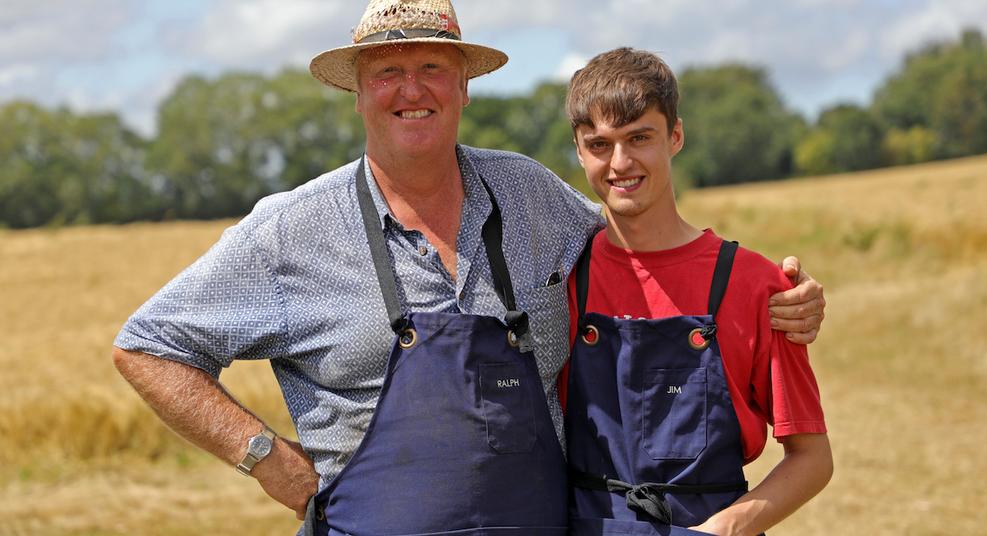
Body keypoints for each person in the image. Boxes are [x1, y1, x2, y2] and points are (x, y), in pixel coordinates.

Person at [111, 1, 826, 534]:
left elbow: (644, 249)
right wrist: (269, 459)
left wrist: (769, 292)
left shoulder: (531, 193)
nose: (410, 88)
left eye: (432, 68)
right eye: (387, 71)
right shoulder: (289, 232)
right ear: (356, 93)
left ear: (463, 87)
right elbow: (147, 346)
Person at [559, 48, 833, 536]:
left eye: (639, 138)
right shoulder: (560, 278)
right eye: (599, 144)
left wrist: (723, 530)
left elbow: (812, 458)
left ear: (676, 136)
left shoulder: (754, 283)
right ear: (579, 152)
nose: (620, 163)